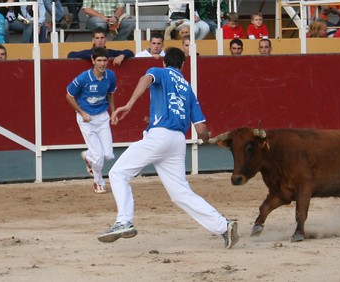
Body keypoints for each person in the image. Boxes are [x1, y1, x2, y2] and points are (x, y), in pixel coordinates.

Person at [98, 47, 239, 250]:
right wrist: (207, 138)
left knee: (118, 173)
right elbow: (201, 130)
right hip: (177, 142)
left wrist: (129, 104)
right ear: (183, 65)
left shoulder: (160, 72)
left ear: (164, 62)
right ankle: (224, 226)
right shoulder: (189, 89)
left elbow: (146, 79)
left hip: (159, 135)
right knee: (181, 193)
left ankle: (124, 221)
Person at [66, 47, 116, 194]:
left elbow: (110, 94)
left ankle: (88, 157)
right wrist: (81, 112)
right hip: (86, 118)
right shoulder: (83, 78)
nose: (102, 63)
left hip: (102, 117)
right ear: (93, 61)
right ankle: (98, 182)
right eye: (99, 60)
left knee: (108, 155)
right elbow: (69, 95)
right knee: (99, 157)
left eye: (105, 60)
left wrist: (113, 113)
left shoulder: (111, 76)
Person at [67, 27, 134, 66]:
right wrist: (90, 57)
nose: (100, 40)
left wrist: (122, 55)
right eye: (97, 38)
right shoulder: (87, 53)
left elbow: (130, 52)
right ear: (93, 40)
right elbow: (70, 55)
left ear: (106, 40)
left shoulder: (111, 52)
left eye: (102, 38)